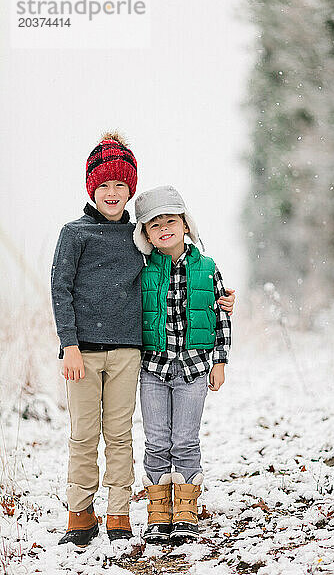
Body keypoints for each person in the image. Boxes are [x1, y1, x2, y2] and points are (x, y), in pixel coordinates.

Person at [51, 134, 235, 547]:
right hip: (82, 353)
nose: (113, 193)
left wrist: (221, 300)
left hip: (129, 352)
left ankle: (118, 513)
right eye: (104, 186)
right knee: (83, 434)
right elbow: (60, 289)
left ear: (130, 190)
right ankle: (80, 513)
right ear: (91, 189)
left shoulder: (141, 239)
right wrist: (69, 344)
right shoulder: (74, 233)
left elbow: (181, 275)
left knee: (120, 435)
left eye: (120, 186)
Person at [133, 185, 232, 543]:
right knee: (157, 440)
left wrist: (219, 361)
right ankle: (159, 511)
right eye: (154, 225)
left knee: (186, 440)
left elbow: (221, 316)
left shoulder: (207, 268)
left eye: (171, 221)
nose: (164, 229)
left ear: (186, 225)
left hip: (193, 368)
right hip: (153, 370)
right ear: (145, 235)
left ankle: (186, 509)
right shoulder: (143, 271)